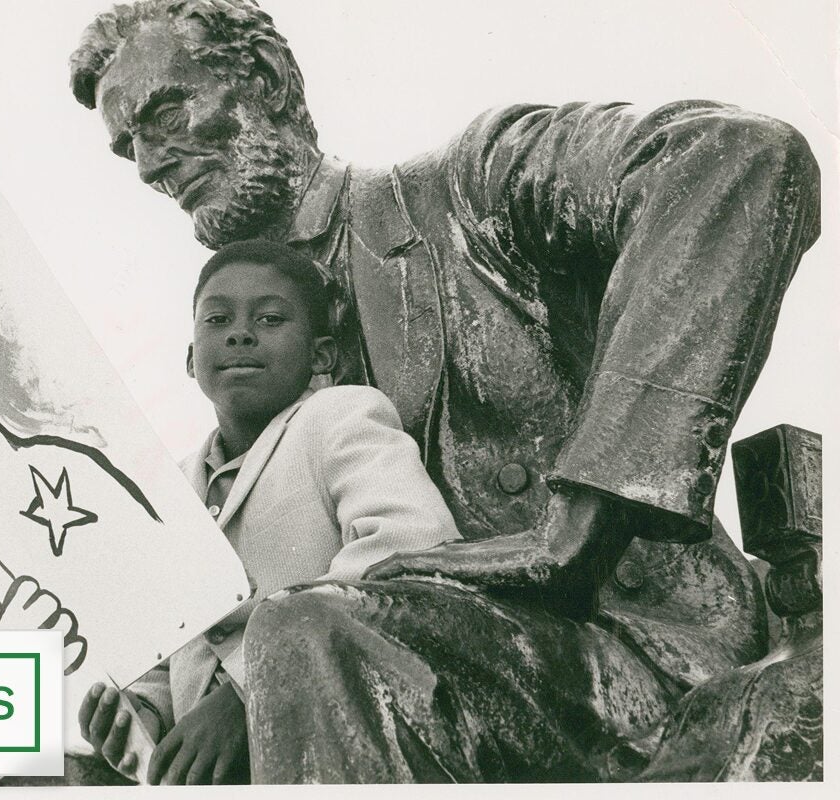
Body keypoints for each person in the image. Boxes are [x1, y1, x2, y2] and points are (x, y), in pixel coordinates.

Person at [69, 0, 822, 782]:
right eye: (128, 150)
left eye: (165, 111)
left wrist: (580, 523)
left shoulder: (469, 191)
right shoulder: (245, 398)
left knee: (303, 635)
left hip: (620, 653)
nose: (152, 163)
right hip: (389, 689)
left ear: (263, 80)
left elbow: (736, 157)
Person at [77, 239, 458, 784]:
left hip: (337, 755)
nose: (240, 333)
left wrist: (250, 692)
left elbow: (414, 550)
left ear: (321, 356)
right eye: (217, 319)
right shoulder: (168, 492)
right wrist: (140, 710)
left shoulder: (339, 416)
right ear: (190, 359)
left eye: (271, 318)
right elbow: (174, 648)